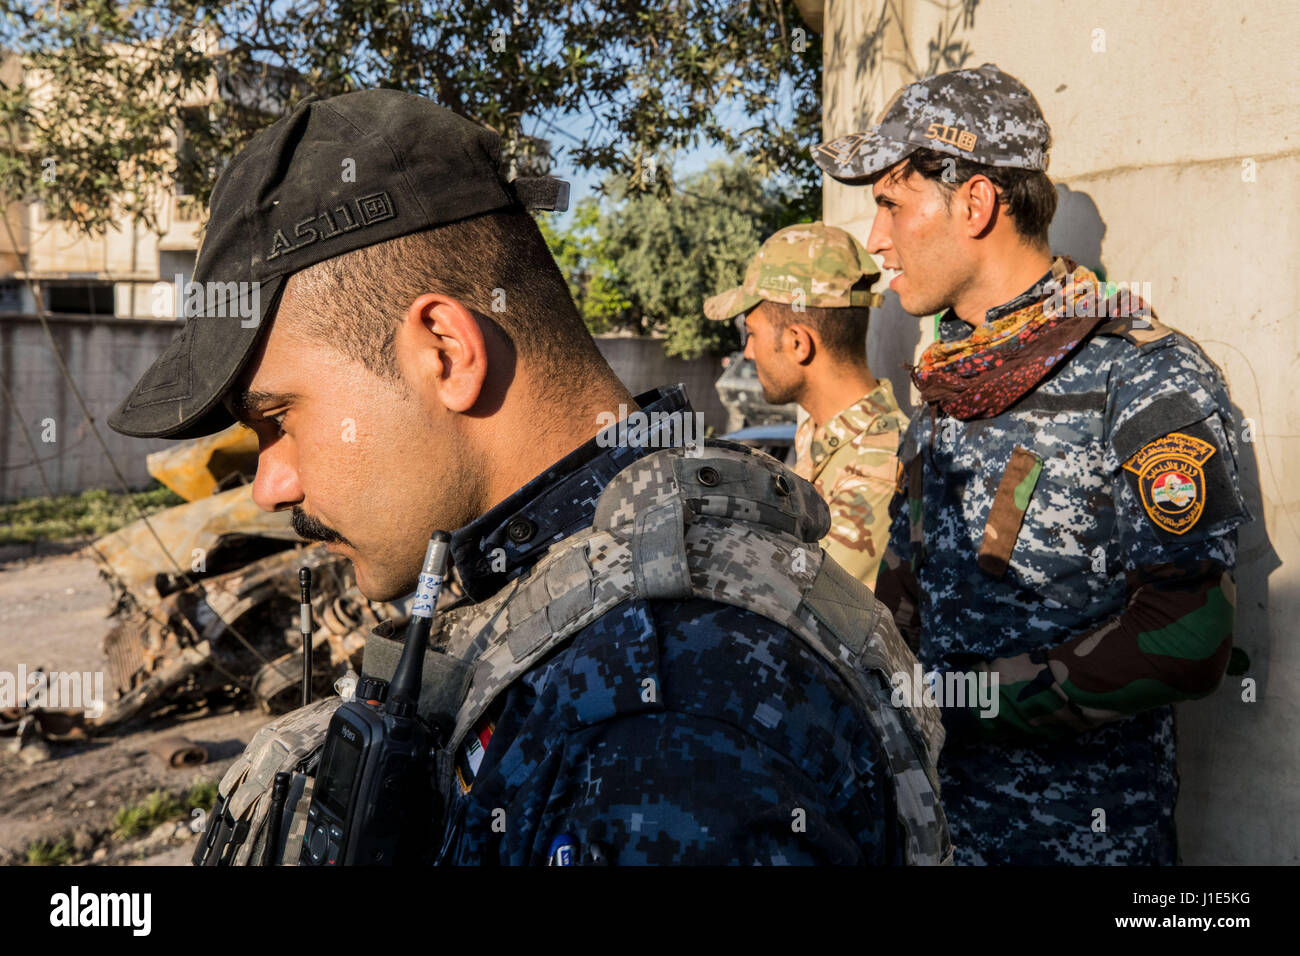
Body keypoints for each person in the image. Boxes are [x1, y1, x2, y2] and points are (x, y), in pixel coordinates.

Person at [110, 89, 946, 865]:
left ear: (445, 352)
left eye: (277, 421)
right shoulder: (563, 605)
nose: (270, 484)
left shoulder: (661, 703)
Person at [813, 63, 1250, 865]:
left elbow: (1191, 633)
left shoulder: (1143, 374)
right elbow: (906, 606)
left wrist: (960, 701)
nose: (875, 240)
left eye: (889, 203)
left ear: (975, 203)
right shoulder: (950, 380)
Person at [704, 222, 907, 591]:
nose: (747, 352)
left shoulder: (879, 464)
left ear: (798, 343)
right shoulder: (818, 433)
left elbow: (799, 606)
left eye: (751, 334)